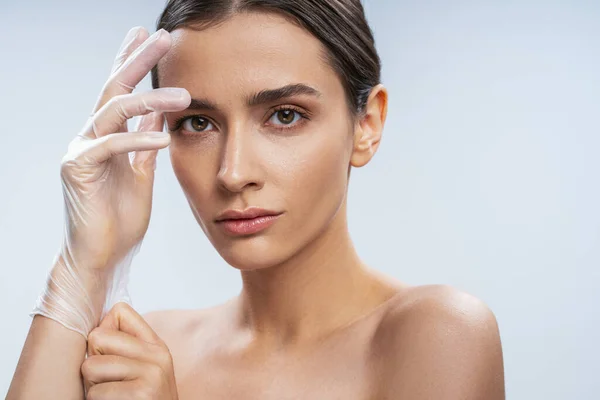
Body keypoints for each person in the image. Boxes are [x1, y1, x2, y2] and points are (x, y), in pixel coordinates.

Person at [8, 1, 505, 399]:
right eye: (197, 123)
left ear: (367, 126)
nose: (233, 173)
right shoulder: (148, 348)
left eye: (285, 115)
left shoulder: (436, 333)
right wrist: (85, 261)